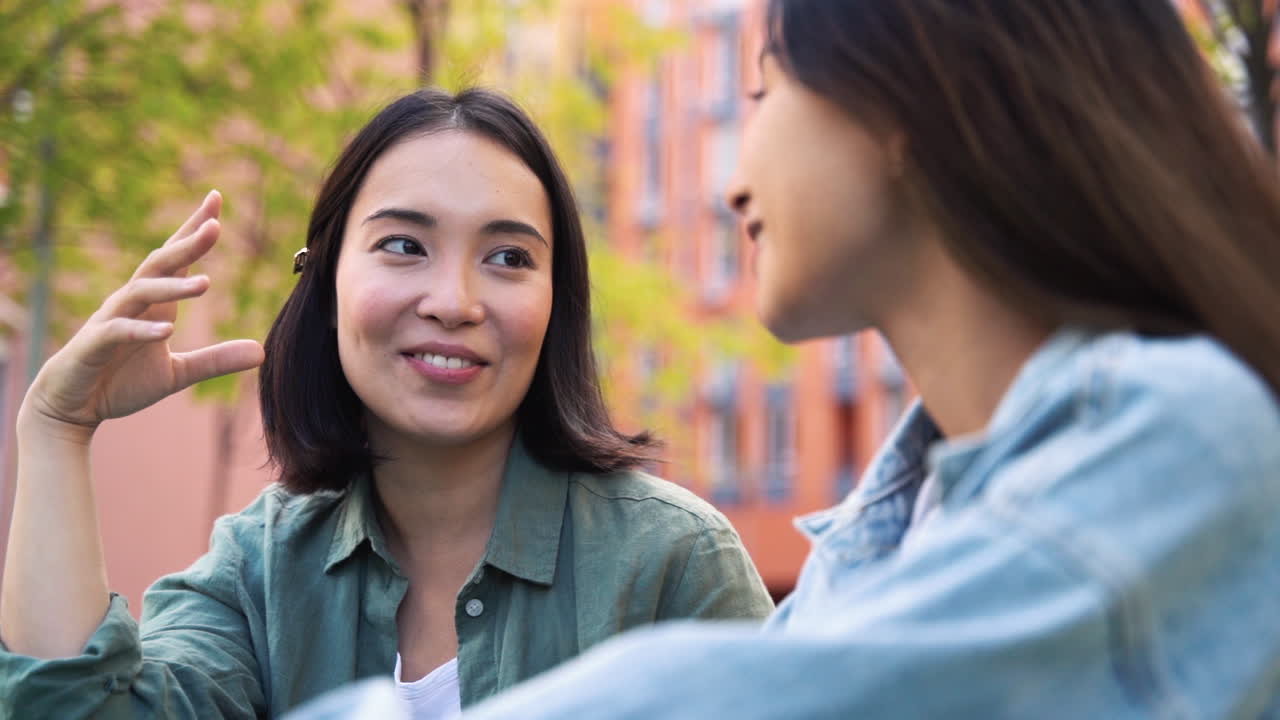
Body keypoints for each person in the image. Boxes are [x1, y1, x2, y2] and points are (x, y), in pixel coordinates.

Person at [455, 1, 1280, 717]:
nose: (733, 186)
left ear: (905, 99)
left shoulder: (1185, 437)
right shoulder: (882, 538)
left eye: (765, 90)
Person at [0, 88, 773, 718]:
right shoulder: (261, 570)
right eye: (404, 245)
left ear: (554, 306)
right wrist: (56, 430)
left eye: (508, 258)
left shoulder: (673, 564)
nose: (454, 301)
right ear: (328, 285)